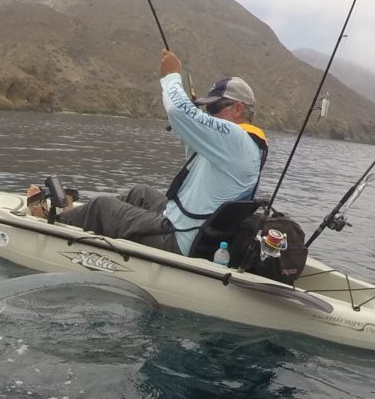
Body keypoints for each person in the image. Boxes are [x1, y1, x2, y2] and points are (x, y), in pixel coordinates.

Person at [26, 49, 267, 256]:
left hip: (180, 239)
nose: (210, 112)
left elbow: (177, 111)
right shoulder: (243, 144)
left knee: (103, 206)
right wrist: (194, 123)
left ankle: (51, 222)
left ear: (237, 109)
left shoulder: (236, 139)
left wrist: (172, 75)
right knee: (140, 193)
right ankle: (76, 218)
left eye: (215, 107)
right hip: (200, 231)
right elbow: (190, 137)